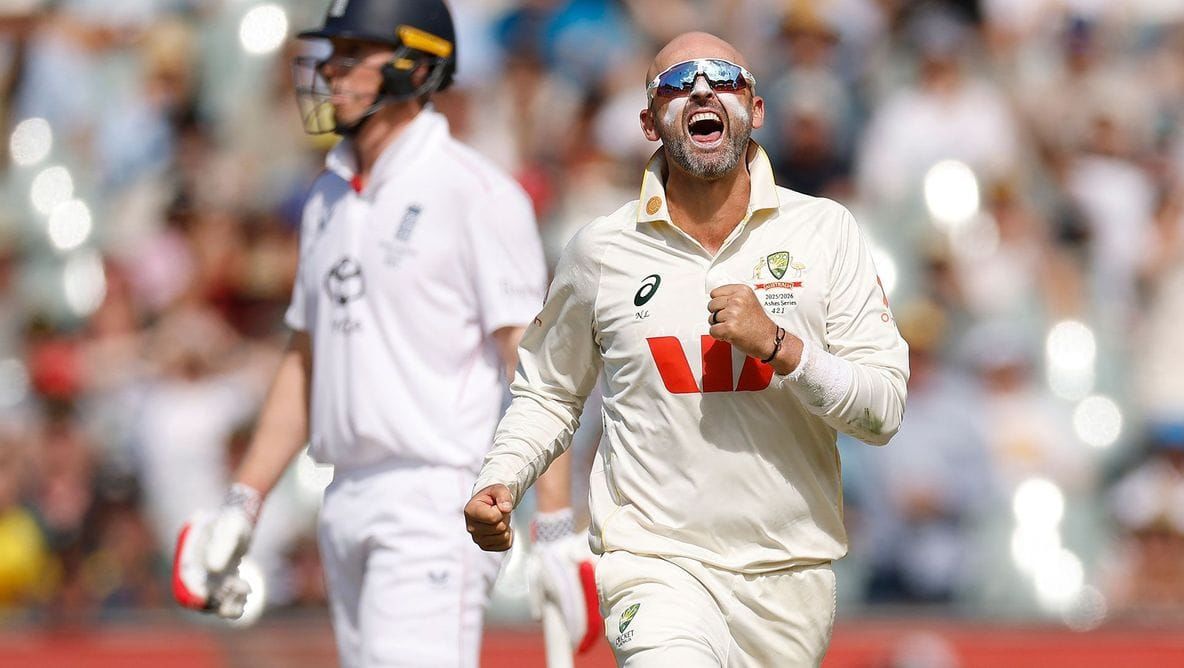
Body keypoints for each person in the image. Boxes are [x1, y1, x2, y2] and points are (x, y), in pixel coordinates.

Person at [465, 32, 909, 666]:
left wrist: (781, 347)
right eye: (677, 85)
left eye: (725, 79)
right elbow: (550, 390)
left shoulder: (824, 230)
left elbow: (883, 410)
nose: (702, 91)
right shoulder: (601, 250)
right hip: (653, 562)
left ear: (756, 109)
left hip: (789, 576)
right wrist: (502, 477)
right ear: (649, 122)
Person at [170, 1, 551, 666]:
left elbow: (538, 366)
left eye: (354, 54)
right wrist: (243, 501)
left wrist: (556, 522)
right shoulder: (326, 196)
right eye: (332, 52)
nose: (333, 71)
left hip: (439, 491)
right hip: (345, 492)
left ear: (419, 64)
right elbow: (306, 358)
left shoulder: (476, 193)